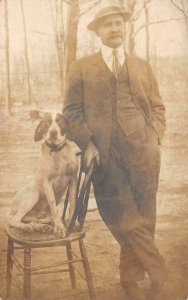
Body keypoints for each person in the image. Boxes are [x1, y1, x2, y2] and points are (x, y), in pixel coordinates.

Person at [63, 4, 167, 300]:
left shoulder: (142, 66)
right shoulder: (81, 67)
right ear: (98, 32)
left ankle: (130, 282)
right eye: (107, 24)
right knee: (121, 217)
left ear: (126, 27)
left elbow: (158, 107)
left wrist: (155, 135)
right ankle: (160, 271)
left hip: (144, 153)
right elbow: (71, 112)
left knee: (144, 218)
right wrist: (88, 144)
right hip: (104, 155)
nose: (115, 28)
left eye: (119, 23)